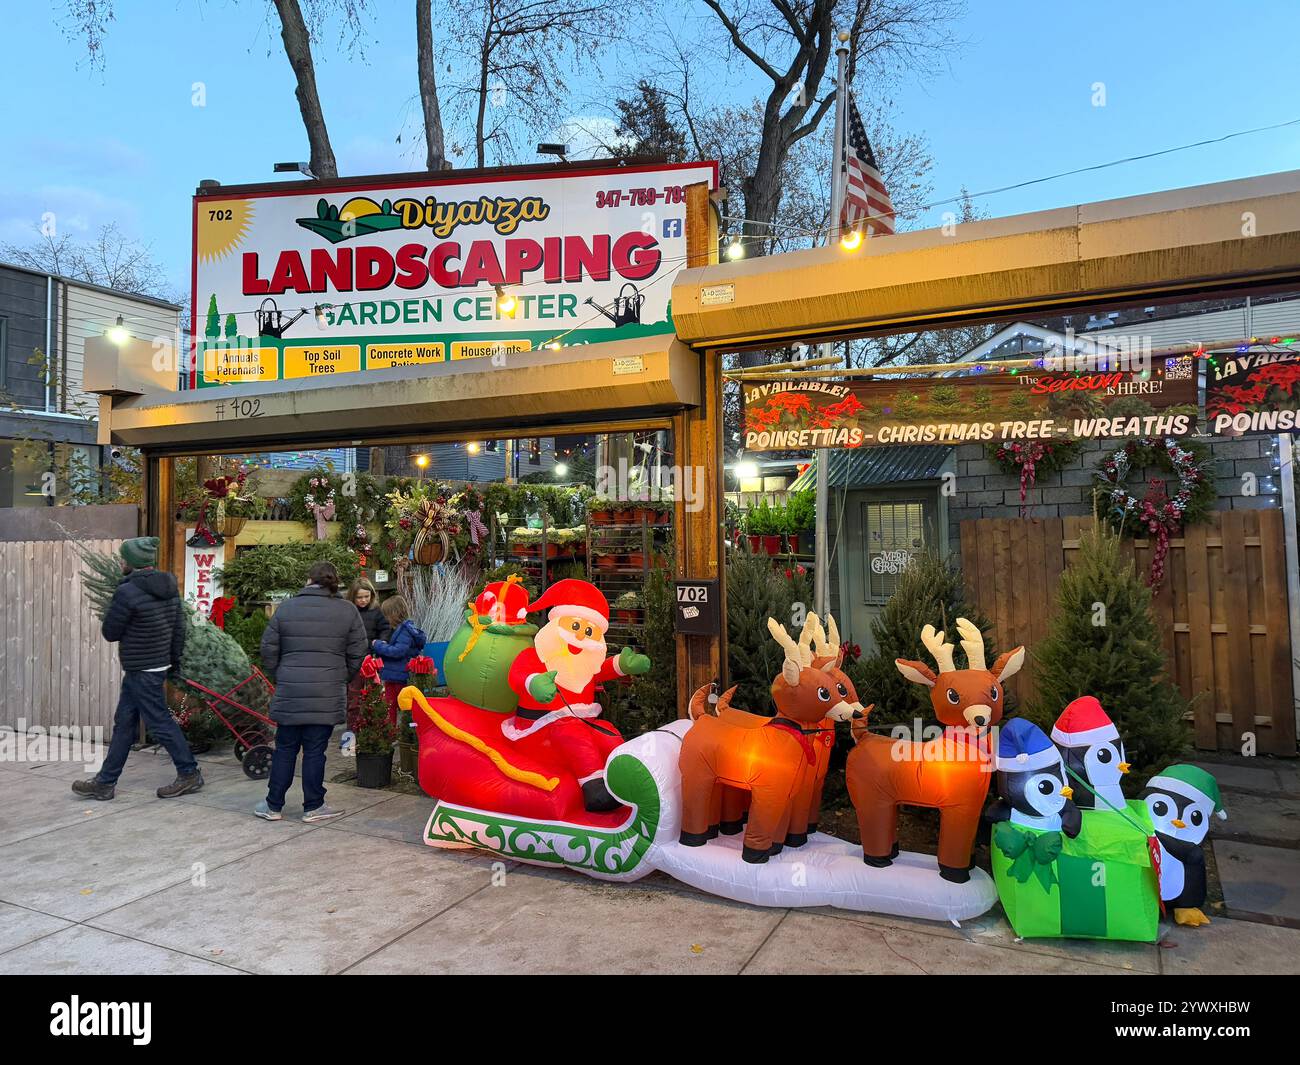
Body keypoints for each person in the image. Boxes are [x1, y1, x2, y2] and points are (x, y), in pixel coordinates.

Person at [73, 536, 202, 801]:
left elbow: (111, 632)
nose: (120, 562)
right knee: (125, 723)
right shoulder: (168, 586)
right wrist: (172, 662)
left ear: (131, 562)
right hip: (153, 666)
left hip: (142, 667)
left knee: (159, 721)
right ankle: (105, 783)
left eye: (123, 558)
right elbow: (179, 628)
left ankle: (189, 773)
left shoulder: (127, 591)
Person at [254, 561, 367, 822]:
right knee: (315, 751)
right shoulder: (347, 611)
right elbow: (358, 651)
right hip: (326, 692)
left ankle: (273, 805)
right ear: (334, 581)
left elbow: (268, 648)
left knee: (284, 748)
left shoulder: (287, 608)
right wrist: (342, 676)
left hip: (291, 689)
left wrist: (281, 674)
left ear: (309, 580)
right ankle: (313, 806)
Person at [371, 596, 427, 725]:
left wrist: (379, 645)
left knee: (401, 703)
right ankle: (391, 730)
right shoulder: (400, 630)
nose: (385, 618)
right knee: (390, 704)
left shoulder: (405, 631)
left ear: (393, 614)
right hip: (393, 674)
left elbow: (398, 651)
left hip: (400, 674)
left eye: (386, 615)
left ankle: (404, 730)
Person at [345, 578, 388, 724]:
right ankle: (352, 730)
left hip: (371, 659)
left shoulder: (376, 611)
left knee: (374, 694)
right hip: (353, 660)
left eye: (366, 596)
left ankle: (373, 727)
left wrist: (380, 643)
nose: (363, 600)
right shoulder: (348, 612)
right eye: (359, 597)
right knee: (354, 697)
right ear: (353, 597)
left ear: (372, 595)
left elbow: (385, 629)